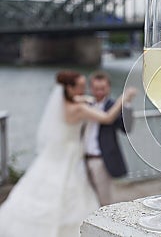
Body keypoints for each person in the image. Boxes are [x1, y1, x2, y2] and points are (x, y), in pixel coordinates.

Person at [0, 70, 136, 237]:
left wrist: (123, 106)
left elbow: (124, 126)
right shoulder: (79, 108)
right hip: (73, 157)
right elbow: (107, 118)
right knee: (72, 194)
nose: (84, 89)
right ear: (69, 89)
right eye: (80, 86)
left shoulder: (66, 104)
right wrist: (123, 98)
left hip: (65, 156)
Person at [83, 71, 136, 206]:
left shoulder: (114, 106)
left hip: (101, 160)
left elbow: (126, 128)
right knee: (85, 198)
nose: (99, 92)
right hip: (82, 159)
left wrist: (127, 105)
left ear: (109, 88)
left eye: (103, 88)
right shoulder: (85, 105)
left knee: (104, 199)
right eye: (96, 88)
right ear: (91, 88)